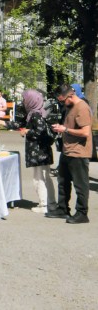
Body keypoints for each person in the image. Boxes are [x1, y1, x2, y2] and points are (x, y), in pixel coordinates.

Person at [47, 83, 93, 223]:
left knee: (80, 184)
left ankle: (82, 213)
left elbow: (85, 132)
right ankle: (62, 208)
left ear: (70, 96)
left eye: (62, 100)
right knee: (63, 181)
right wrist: (60, 128)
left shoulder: (82, 107)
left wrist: (65, 130)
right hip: (67, 150)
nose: (61, 103)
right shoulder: (70, 106)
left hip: (79, 152)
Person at [14, 89, 56, 214]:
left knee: (39, 178)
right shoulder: (39, 112)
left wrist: (27, 131)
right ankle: (51, 202)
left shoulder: (35, 115)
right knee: (45, 177)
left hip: (38, 152)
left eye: (25, 99)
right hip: (43, 151)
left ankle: (44, 204)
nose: (24, 101)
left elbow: (39, 131)